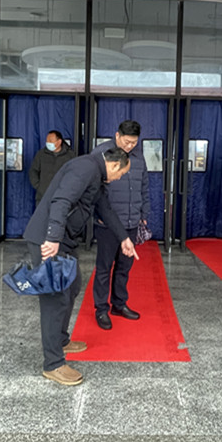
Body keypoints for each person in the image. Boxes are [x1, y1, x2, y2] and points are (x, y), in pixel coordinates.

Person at [23, 147, 139, 386]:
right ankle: (53, 364)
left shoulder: (96, 175)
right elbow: (61, 200)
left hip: (63, 241)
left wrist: (124, 239)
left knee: (73, 285)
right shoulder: (85, 167)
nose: (119, 178)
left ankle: (61, 340)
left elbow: (105, 209)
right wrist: (52, 237)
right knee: (55, 298)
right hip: (49, 240)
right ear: (114, 165)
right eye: (121, 174)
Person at [91, 120, 149, 330]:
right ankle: (101, 309)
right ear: (117, 136)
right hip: (108, 223)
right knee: (104, 267)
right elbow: (92, 189)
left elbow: (144, 186)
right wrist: (97, 215)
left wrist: (144, 213)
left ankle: (119, 304)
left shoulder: (138, 156)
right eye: (126, 142)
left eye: (134, 142)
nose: (130, 146)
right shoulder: (101, 154)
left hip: (131, 220)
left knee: (124, 267)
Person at [29, 130, 75, 204]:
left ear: (59, 142)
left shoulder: (70, 156)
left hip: (62, 198)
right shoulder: (41, 154)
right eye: (47, 141)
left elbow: (74, 174)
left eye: (50, 141)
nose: (48, 143)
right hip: (42, 197)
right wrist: (39, 187)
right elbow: (33, 171)